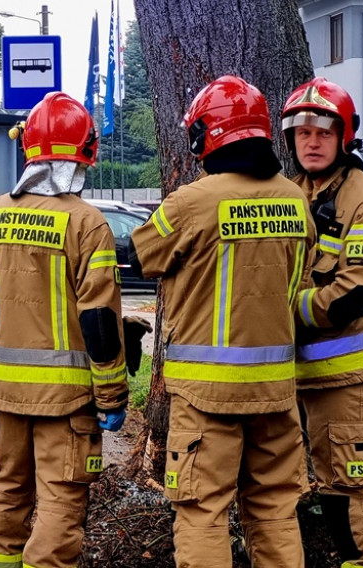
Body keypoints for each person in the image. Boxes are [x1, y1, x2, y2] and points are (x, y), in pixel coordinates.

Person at [0, 91, 129, 568]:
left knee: (6, 494)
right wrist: (113, 396)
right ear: (88, 152)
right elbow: (99, 322)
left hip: (8, 394)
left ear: (29, 150)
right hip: (68, 400)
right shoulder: (86, 223)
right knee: (60, 501)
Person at [129, 75, 315, 568]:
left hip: (207, 394)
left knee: (201, 511)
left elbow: (143, 254)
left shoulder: (191, 202)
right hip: (277, 391)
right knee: (275, 511)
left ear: (203, 136)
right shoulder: (296, 200)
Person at [281, 77, 363, 568]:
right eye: (302, 131)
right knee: (330, 484)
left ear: (343, 136)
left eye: (324, 132)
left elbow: (359, 293)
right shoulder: (290, 193)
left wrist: (280, 318)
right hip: (298, 374)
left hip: (347, 377)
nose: (311, 141)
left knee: (355, 485)